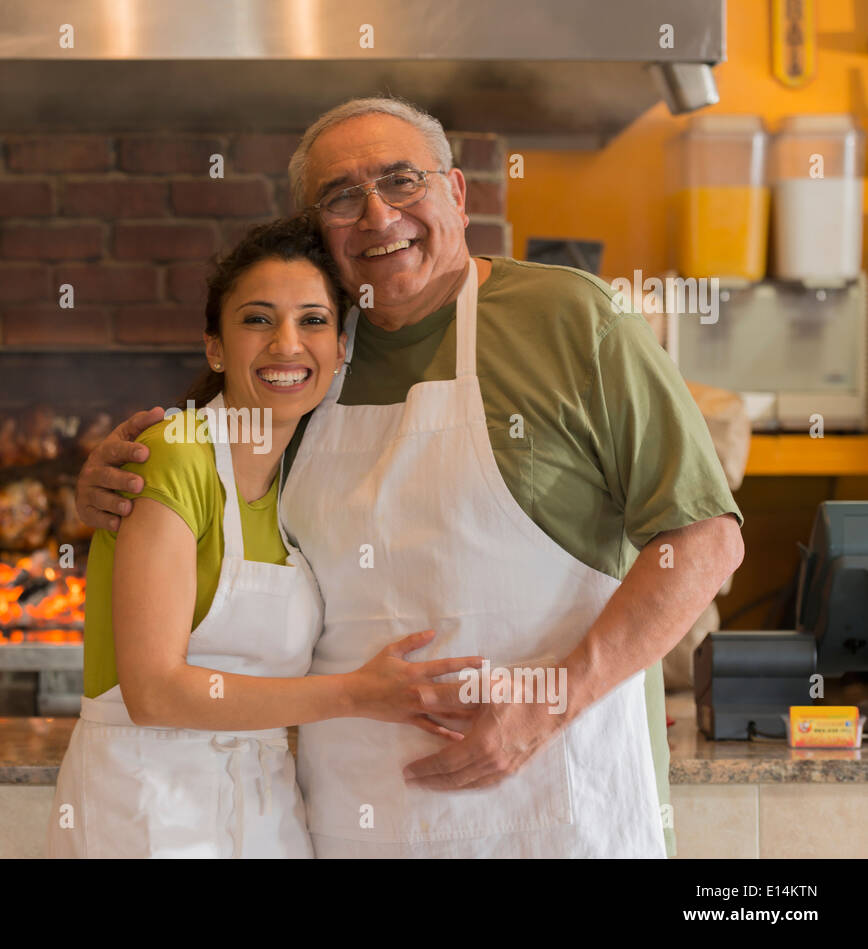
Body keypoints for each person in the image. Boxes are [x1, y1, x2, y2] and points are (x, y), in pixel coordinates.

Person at [75, 97, 745, 858]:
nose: (376, 214)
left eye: (401, 180)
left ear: (456, 193)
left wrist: (549, 701)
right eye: (339, 196)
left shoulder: (571, 319)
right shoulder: (313, 354)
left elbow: (705, 542)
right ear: (316, 230)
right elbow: (212, 468)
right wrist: (111, 477)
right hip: (361, 819)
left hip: (561, 802)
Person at [46, 216, 482, 859]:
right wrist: (357, 694)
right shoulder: (172, 457)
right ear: (215, 348)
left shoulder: (309, 479)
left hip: (265, 806)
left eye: (312, 321)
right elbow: (154, 690)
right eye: (256, 319)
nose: (286, 345)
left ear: (341, 348)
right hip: (144, 808)